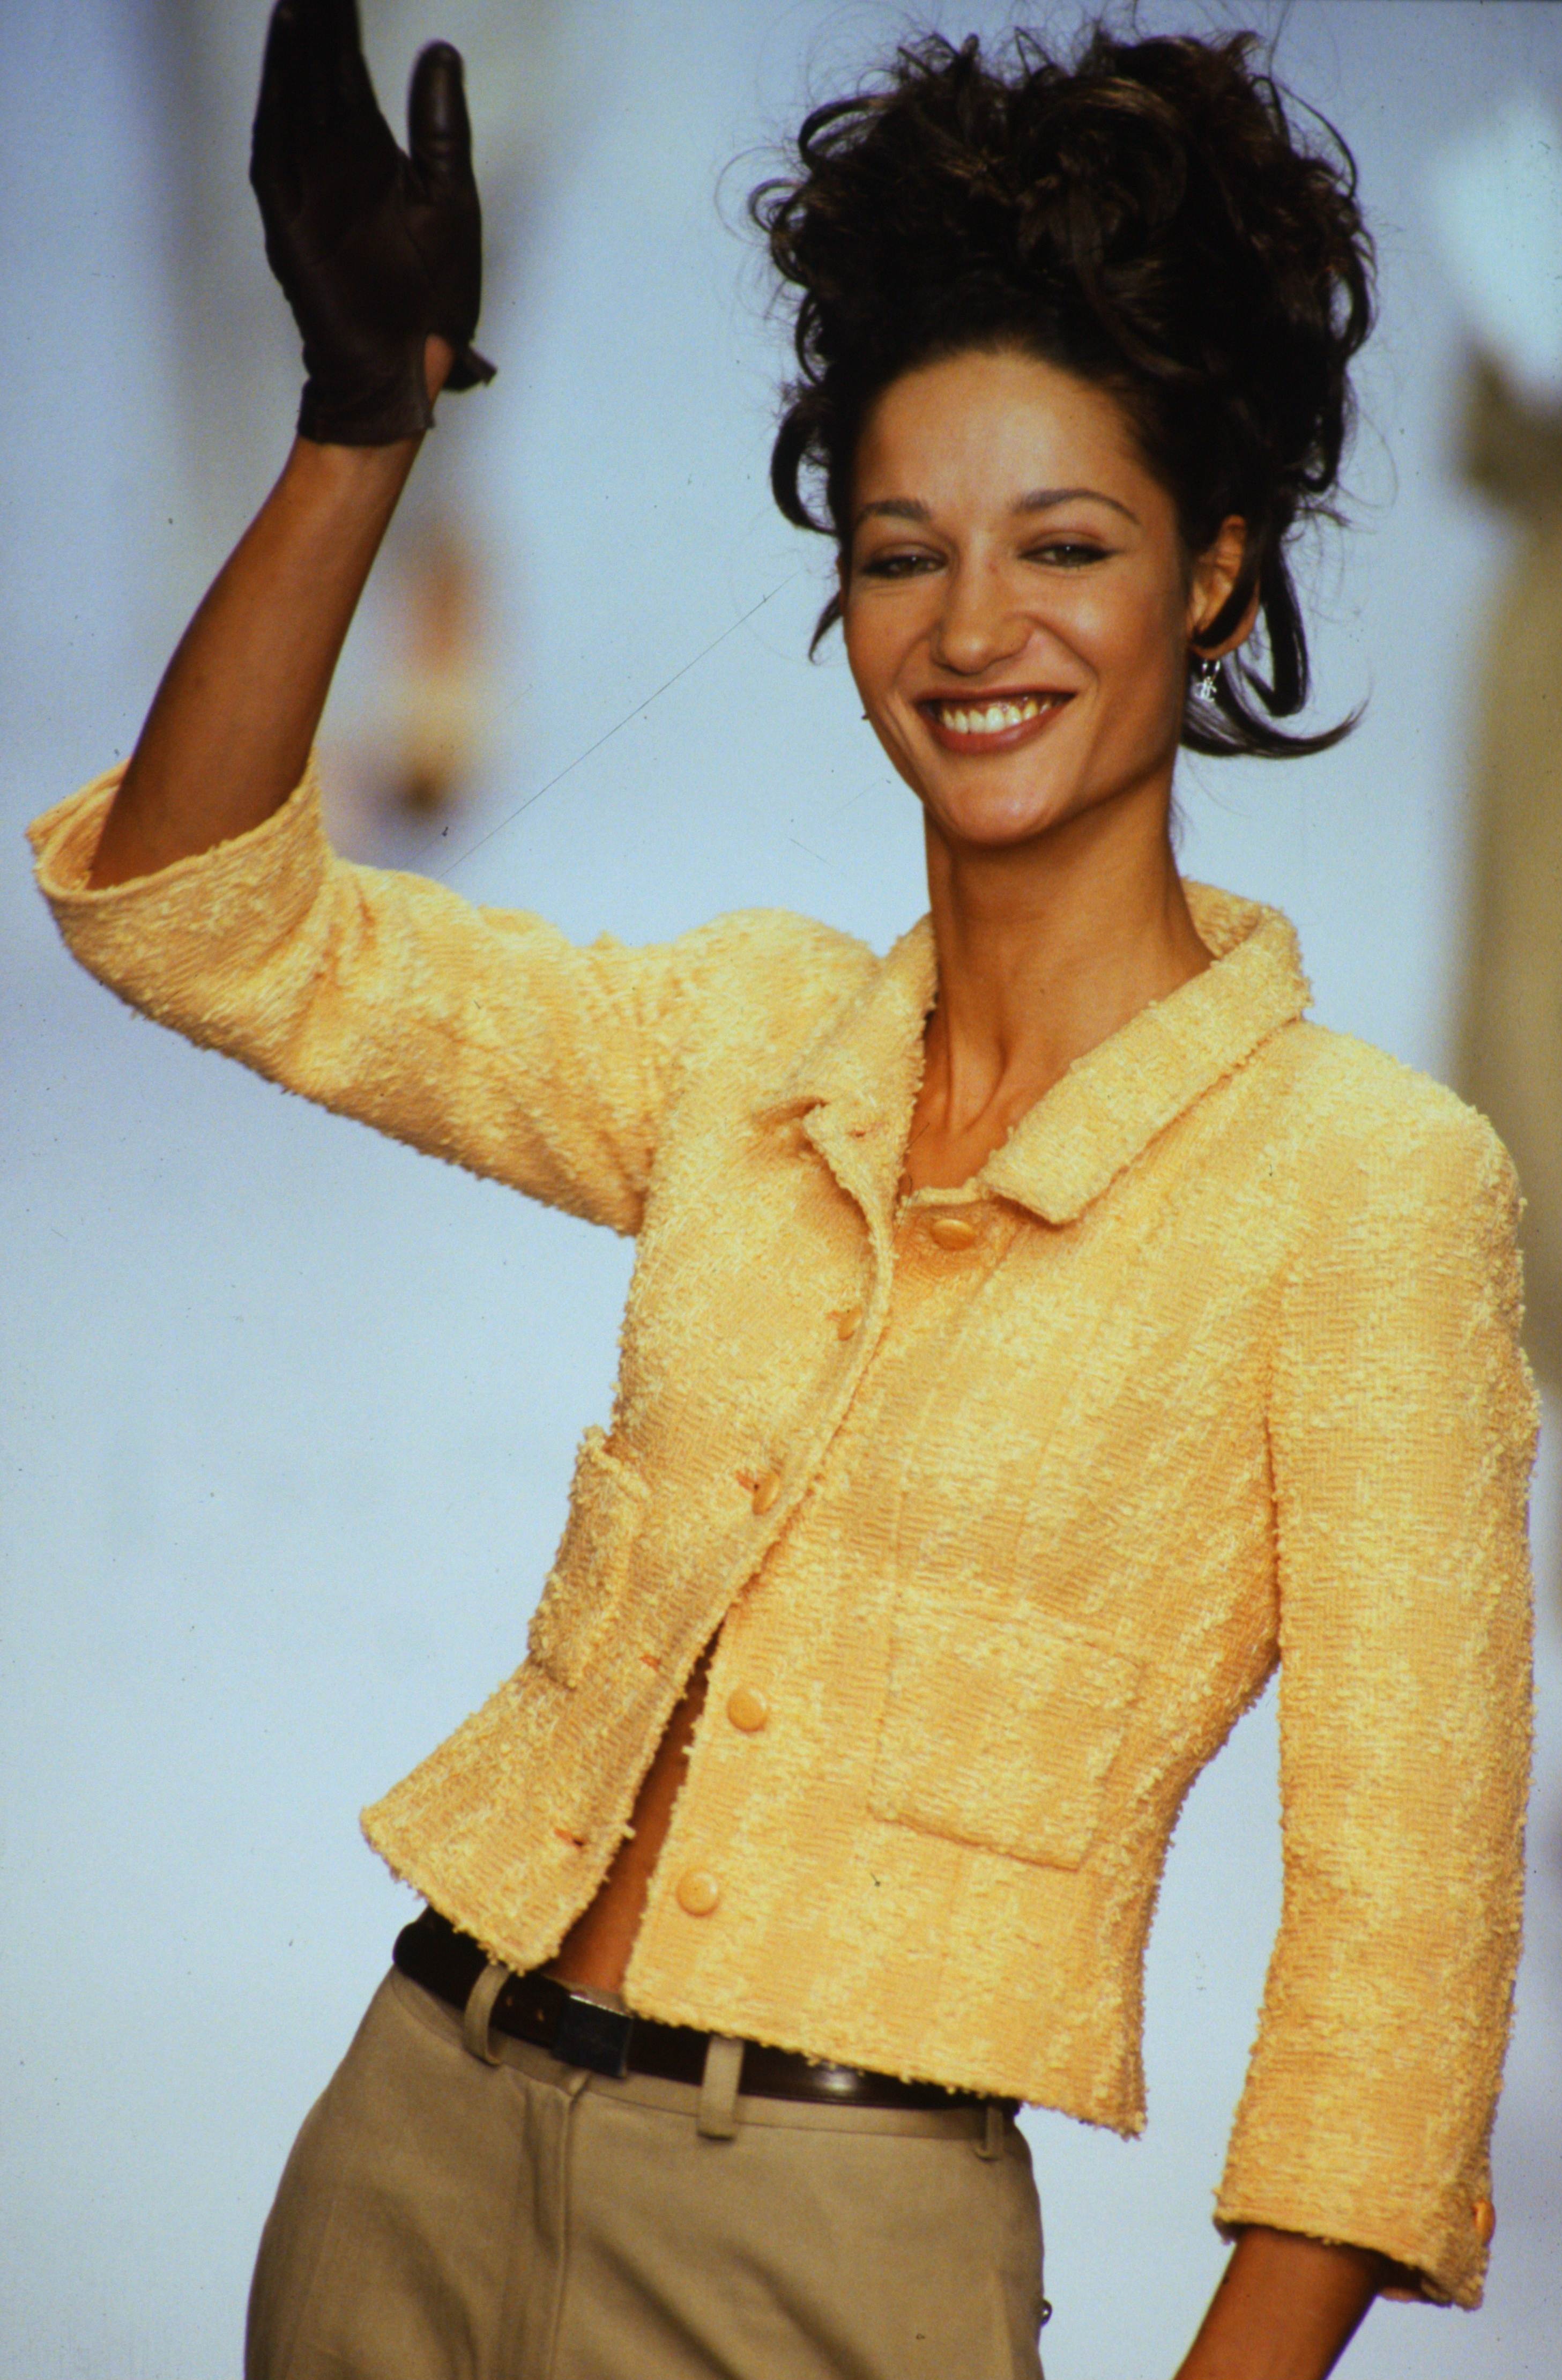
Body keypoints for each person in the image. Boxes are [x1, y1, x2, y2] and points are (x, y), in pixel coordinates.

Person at [29, 8, 1536, 2378]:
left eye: (1067, 547)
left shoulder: (1365, 1191)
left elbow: (1398, 1975)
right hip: (409, 2146)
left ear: (1217, 577)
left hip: (833, 2258)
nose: (975, 627)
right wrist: (357, 428)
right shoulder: (748, 1037)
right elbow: (196, 915)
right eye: (903, 552)